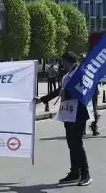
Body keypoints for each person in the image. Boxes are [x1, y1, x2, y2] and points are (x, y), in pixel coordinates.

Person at [36, 52, 91, 186]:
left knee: (77, 143)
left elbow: (83, 89)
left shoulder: (81, 73)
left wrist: (68, 92)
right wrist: (43, 99)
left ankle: (86, 174)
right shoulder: (68, 75)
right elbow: (60, 90)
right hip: (68, 111)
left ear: (68, 61)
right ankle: (74, 172)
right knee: (71, 143)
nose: (62, 64)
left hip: (79, 111)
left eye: (63, 62)